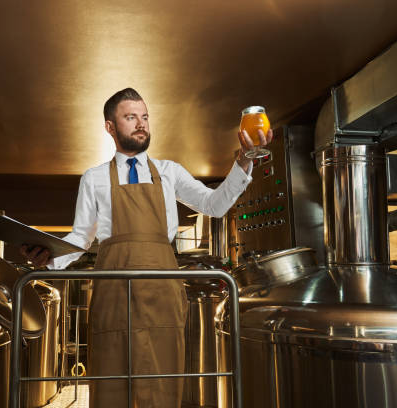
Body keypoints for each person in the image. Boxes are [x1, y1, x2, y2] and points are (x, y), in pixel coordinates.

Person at [21, 88, 272, 407]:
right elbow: (80, 238)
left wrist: (243, 163)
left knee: (162, 387)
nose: (141, 124)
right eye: (130, 117)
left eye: (144, 117)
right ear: (110, 128)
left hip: (162, 296)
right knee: (112, 387)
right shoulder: (94, 178)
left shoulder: (170, 172)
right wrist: (48, 256)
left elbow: (214, 205)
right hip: (113, 298)